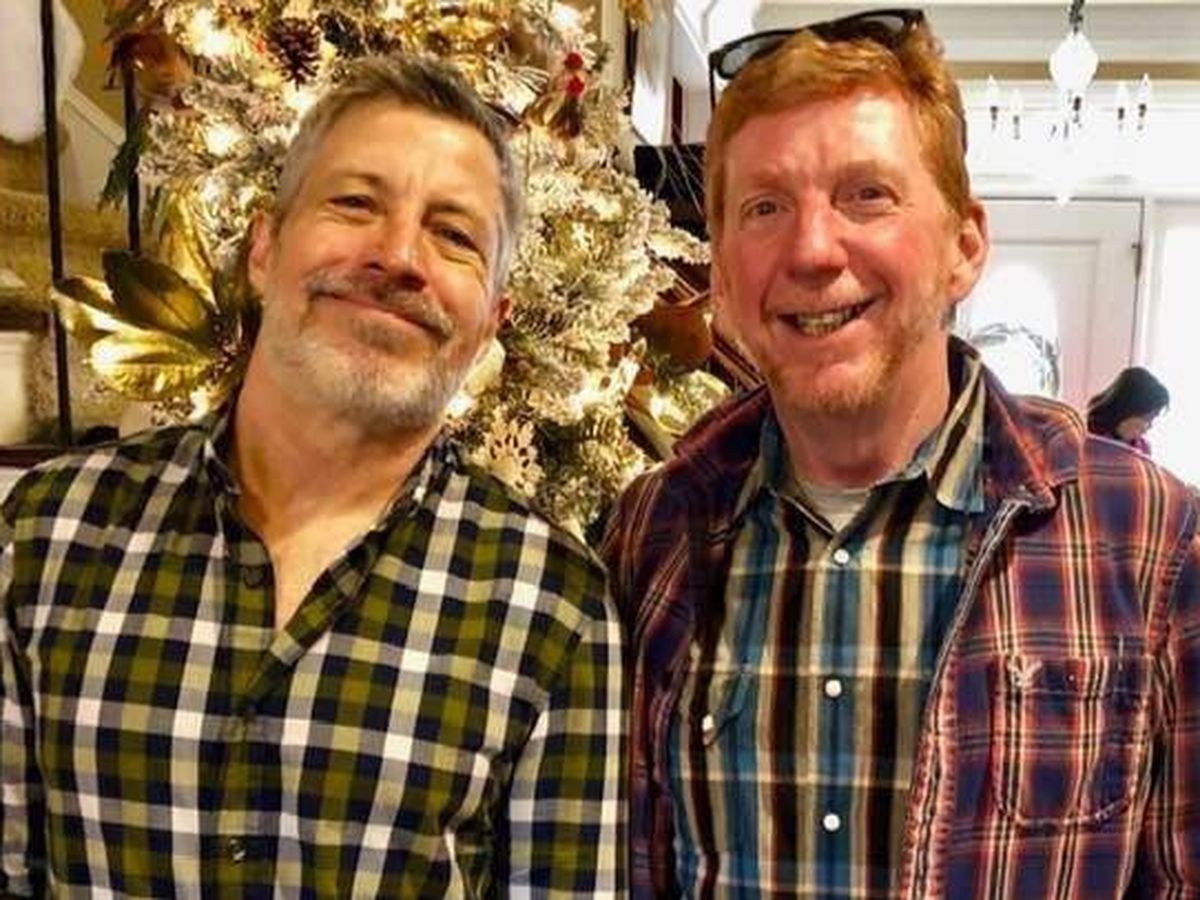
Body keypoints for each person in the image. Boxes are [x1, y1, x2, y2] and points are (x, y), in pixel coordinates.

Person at [603, 9, 1199, 898]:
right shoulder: (652, 533)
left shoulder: (1147, 538)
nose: (812, 250)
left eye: (867, 195)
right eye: (765, 208)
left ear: (965, 246)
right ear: (720, 273)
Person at [2, 55, 624, 897]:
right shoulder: (48, 533)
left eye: (454, 235)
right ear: (264, 248)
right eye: (356, 203)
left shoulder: (553, 604)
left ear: (490, 324)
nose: (398, 255)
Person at [1087, 365, 1170, 454]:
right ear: (1129, 409)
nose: (1149, 427)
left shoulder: (1143, 448)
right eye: (1147, 419)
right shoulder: (1086, 435)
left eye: (1152, 419)